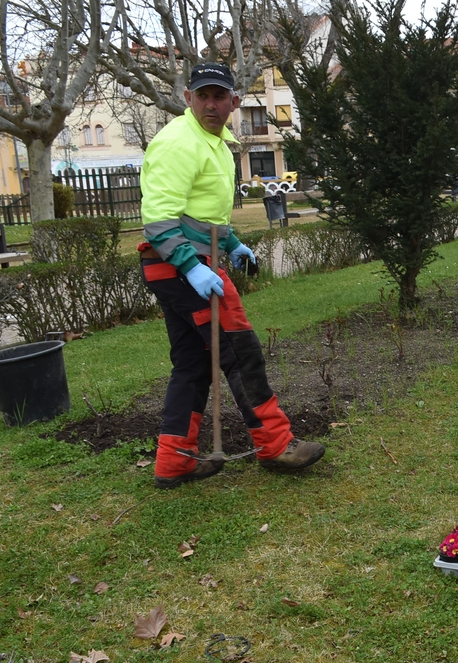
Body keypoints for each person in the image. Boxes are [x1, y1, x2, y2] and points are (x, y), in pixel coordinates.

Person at [140, 62, 324, 489]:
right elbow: (159, 219)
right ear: (188, 98)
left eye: (219, 96)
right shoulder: (178, 143)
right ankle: (276, 445)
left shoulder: (215, 141)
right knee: (241, 353)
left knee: (191, 364)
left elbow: (202, 214)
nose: (210, 104)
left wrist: (230, 243)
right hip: (182, 265)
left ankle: (174, 461)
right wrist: (193, 268)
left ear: (234, 102)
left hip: (179, 264)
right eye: (202, 95)